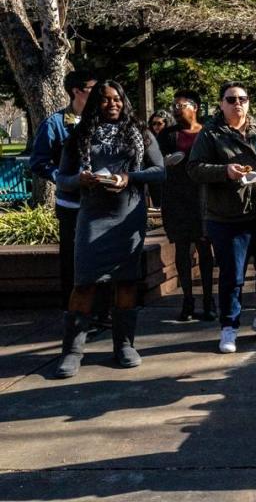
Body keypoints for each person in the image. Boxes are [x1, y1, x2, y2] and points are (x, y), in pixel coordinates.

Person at [53, 80, 165, 378]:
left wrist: (130, 177)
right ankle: (72, 351)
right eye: (104, 100)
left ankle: (124, 345)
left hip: (128, 216)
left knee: (126, 281)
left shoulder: (140, 133)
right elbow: (62, 177)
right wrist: (82, 179)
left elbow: (159, 170)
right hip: (92, 216)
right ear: (94, 104)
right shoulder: (78, 136)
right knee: (84, 282)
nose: (112, 104)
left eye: (117, 99)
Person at [188, 81, 256, 354]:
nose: (238, 104)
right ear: (221, 103)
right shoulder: (211, 134)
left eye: (242, 99)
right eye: (231, 99)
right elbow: (195, 169)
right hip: (228, 217)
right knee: (233, 276)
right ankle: (229, 327)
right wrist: (225, 171)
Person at [30, 69, 98, 311]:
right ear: (77, 91)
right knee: (72, 260)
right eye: (93, 89)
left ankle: (102, 312)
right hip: (71, 205)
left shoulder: (104, 121)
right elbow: (38, 162)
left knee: (101, 258)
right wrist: (63, 177)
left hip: (101, 203)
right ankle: (73, 313)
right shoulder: (55, 123)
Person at [157, 90, 216, 322]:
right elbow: (154, 161)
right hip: (176, 198)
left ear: (195, 107)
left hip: (202, 198)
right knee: (181, 250)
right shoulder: (168, 135)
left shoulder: (207, 132)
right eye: (174, 106)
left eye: (180, 105)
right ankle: (188, 299)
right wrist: (165, 162)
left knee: (204, 249)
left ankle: (209, 300)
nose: (175, 109)